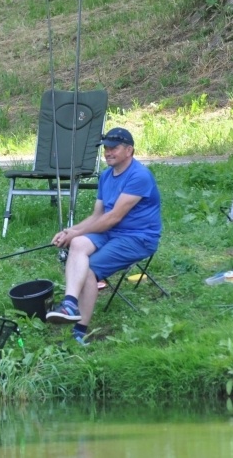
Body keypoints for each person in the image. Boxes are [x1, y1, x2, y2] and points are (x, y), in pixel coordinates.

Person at [47, 127, 162, 344]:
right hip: (112, 233)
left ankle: (80, 333)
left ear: (129, 150)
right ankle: (70, 303)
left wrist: (77, 232)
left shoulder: (140, 176)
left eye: (114, 148)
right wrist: (71, 232)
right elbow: (98, 216)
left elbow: (113, 218)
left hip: (138, 238)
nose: (108, 152)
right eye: (106, 148)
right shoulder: (106, 176)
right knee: (78, 243)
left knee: (89, 270)